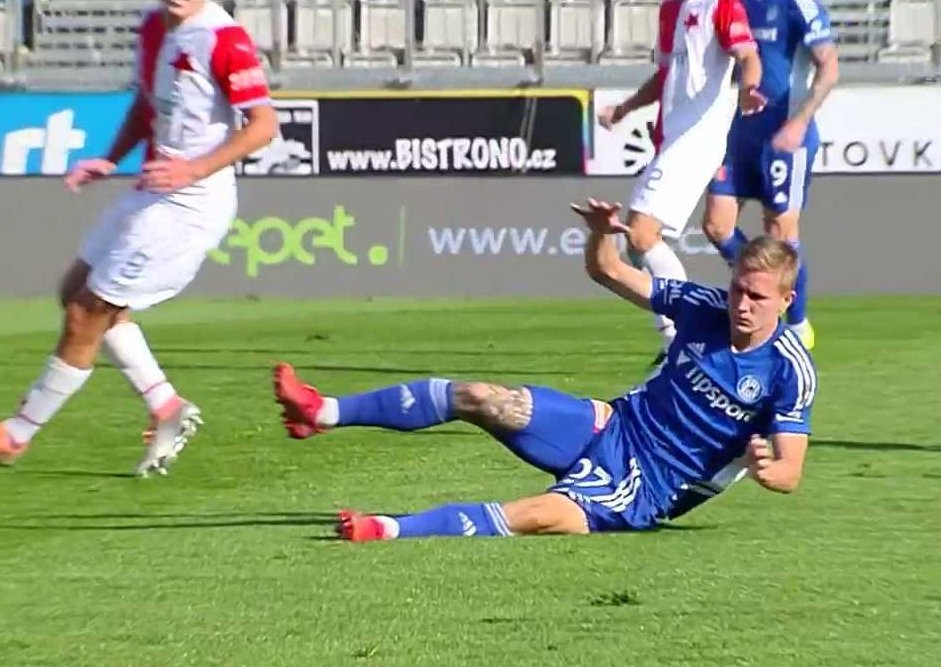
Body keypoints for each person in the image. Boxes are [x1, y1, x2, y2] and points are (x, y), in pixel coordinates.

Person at [272, 198, 817, 542]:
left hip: (652, 486)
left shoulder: (789, 369)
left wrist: (766, 468)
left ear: (786, 299)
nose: (740, 303)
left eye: (756, 296)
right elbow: (606, 270)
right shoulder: (702, 306)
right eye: (737, 289)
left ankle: (390, 529)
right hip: (611, 425)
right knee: (483, 397)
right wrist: (603, 232)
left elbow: (790, 473)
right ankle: (323, 411)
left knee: (539, 514)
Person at [0, 0, 277, 476]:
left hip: (190, 202)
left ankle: (14, 435)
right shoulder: (155, 27)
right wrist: (113, 158)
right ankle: (165, 406)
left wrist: (193, 168)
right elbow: (146, 103)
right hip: (153, 191)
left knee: (85, 314)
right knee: (75, 292)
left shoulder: (224, 38)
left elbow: (264, 125)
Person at [597, 0, 765, 360]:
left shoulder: (721, 5)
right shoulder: (670, 8)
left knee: (642, 234)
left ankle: (683, 338)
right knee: (636, 243)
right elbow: (665, 77)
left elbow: (748, 55)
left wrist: (750, 89)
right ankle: (683, 337)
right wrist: (624, 109)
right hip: (673, 137)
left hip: (697, 139)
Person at [701, 0, 839, 351]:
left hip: (785, 136)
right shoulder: (734, 4)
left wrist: (800, 121)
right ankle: (760, 285)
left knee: (780, 232)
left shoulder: (800, 7)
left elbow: (829, 67)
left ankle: (796, 324)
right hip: (741, 132)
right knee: (717, 225)